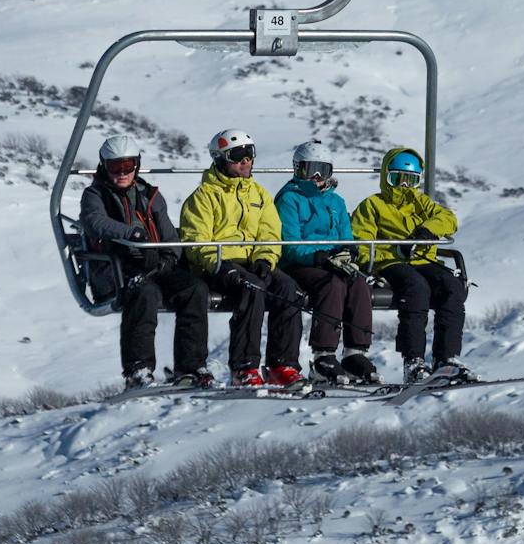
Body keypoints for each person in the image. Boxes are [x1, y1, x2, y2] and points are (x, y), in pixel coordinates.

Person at [77, 137, 214, 389]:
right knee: (144, 292)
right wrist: (132, 234)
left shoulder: (149, 195)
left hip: (154, 263)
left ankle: (192, 365)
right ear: (103, 167)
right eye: (114, 167)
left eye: (127, 166)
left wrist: (168, 258)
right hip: (116, 267)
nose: (121, 173)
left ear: (137, 166)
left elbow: (170, 235)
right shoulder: (95, 195)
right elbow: (94, 221)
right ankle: (138, 369)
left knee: (195, 289)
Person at [180, 129, 304, 386]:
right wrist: (220, 264)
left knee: (288, 288)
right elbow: (196, 241)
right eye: (238, 155)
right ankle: (244, 367)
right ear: (220, 159)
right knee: (252, 287)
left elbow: (270, 234)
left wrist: (265, 260)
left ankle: (282, 364)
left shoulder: (259, 194)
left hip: (252, 262)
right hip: (217, 266)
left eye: (250, 154)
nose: (246, 161)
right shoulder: (204, 197)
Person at [351, 146, 469, 384]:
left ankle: (446, 358)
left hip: (421, 259)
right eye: (397, 178)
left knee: (452, 287)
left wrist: (426, 231)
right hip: (389, 261)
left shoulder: (421, 203)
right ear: (387, 177)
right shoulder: (373, 205)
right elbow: (362, 241)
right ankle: (413, 361)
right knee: (416, 288)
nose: (403, 185)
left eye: (410, 180)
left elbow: (449, 219)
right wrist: (376, 260)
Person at [276, 140, 380, 385]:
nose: (316, 176)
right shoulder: (290, 199)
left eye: (322, 170)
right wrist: (319, 257)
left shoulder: (337, 202)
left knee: (359, 284)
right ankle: (324, 356)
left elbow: (347, 237)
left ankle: (355, 354)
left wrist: (348, 253)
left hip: (332, 262)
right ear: (297, 169)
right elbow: (289, 243)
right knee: (332, 285)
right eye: (309, 169)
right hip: (301, 263)